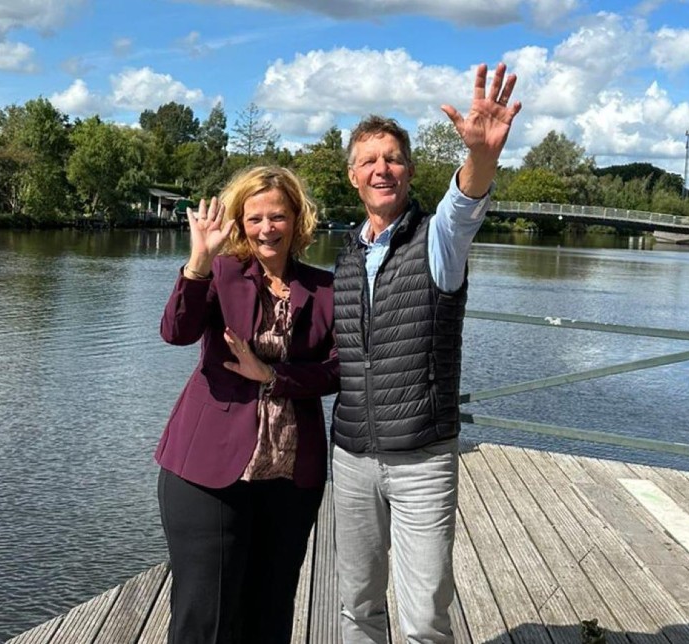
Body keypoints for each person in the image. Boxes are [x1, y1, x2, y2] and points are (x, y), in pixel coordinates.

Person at [331, 62, 522, 643]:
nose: (381, 169)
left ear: (410, 171)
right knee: (357, 608)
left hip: (422, 458)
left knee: (422, 621)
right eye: (369, 160)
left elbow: (464, 205)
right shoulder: (344, 258)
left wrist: (482, 156)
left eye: (392, 158)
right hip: (352, 457)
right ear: (353, 176)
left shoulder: (437, 241)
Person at [155, 166, 338, 644]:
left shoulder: (326, 290)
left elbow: (339, 370)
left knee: (271, 610)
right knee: (206, 617)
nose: (265, 228)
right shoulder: (221, 273)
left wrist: (274, 377)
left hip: (291, 474)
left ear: (298, 221)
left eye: (277, 216)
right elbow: (176, 332)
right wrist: (197, 263)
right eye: (254, 217)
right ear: (239, 223)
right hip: (207, 469)